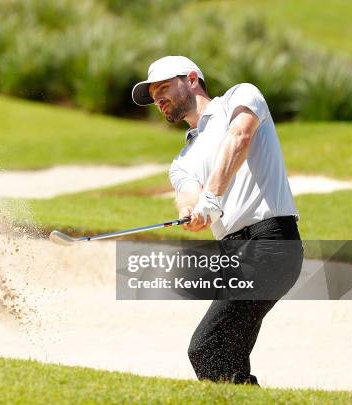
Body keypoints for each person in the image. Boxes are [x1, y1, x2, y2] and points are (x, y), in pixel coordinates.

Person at [131, 56, 302, 385]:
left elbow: (240, 136)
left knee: (207, 348)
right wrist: (192, 213)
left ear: (192, 79)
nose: (158, 99)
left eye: (163, 88)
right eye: (153, 96)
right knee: (229, 356)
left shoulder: (240, 97)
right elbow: (188, 194)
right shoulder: (182, 160)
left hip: (271, 244)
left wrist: (212, 198)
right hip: (235, 253)